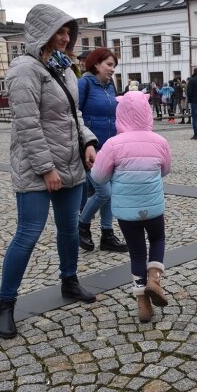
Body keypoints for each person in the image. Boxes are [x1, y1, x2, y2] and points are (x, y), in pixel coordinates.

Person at [0, 3, 99, 340]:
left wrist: (87, 142)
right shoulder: (24, 70)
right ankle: (5, 305)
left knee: (69, 229)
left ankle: (69, 281)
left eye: (69, 31)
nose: (65, 36)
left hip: (71, 163)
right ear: (42, 32)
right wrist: (46, 169)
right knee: (28, 234)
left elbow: (74, 115)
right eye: (59, 30)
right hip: (38, 169)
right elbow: (27, 126)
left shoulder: (65, 68)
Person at [91, 91, 172, 322]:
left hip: (127, 212)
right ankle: (154, 279)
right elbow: (165, 170)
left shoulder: (113, 144)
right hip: (153, 207)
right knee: (157, 239)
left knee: (137, 251)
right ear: (147, 113)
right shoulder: (160, 141)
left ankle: (142, 304)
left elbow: (98, 177)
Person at [77, 48, 128, 253]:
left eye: (114, 65)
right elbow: (75, 115)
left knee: (111, 192)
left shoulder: (110, 86)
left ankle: (107, 234)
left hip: (110, 146)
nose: (112, 69)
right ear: (96, 64)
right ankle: (82, 225)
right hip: (91, 147)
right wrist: (86, 142)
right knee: (103, 191)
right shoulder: (84, 84)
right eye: (109, 64)